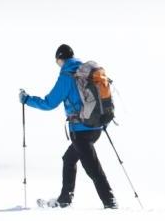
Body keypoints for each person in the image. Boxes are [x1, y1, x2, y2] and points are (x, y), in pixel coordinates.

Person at [21, 43, 116, 209]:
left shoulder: (67, 76)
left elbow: (49, 103)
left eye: (57, 60)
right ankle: (65, 199)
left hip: (80, 130)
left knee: (92, 168)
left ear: (60, 58)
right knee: (69, 159)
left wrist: (27, 100)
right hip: (96, 128)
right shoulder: (86, 72)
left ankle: (110, 202)